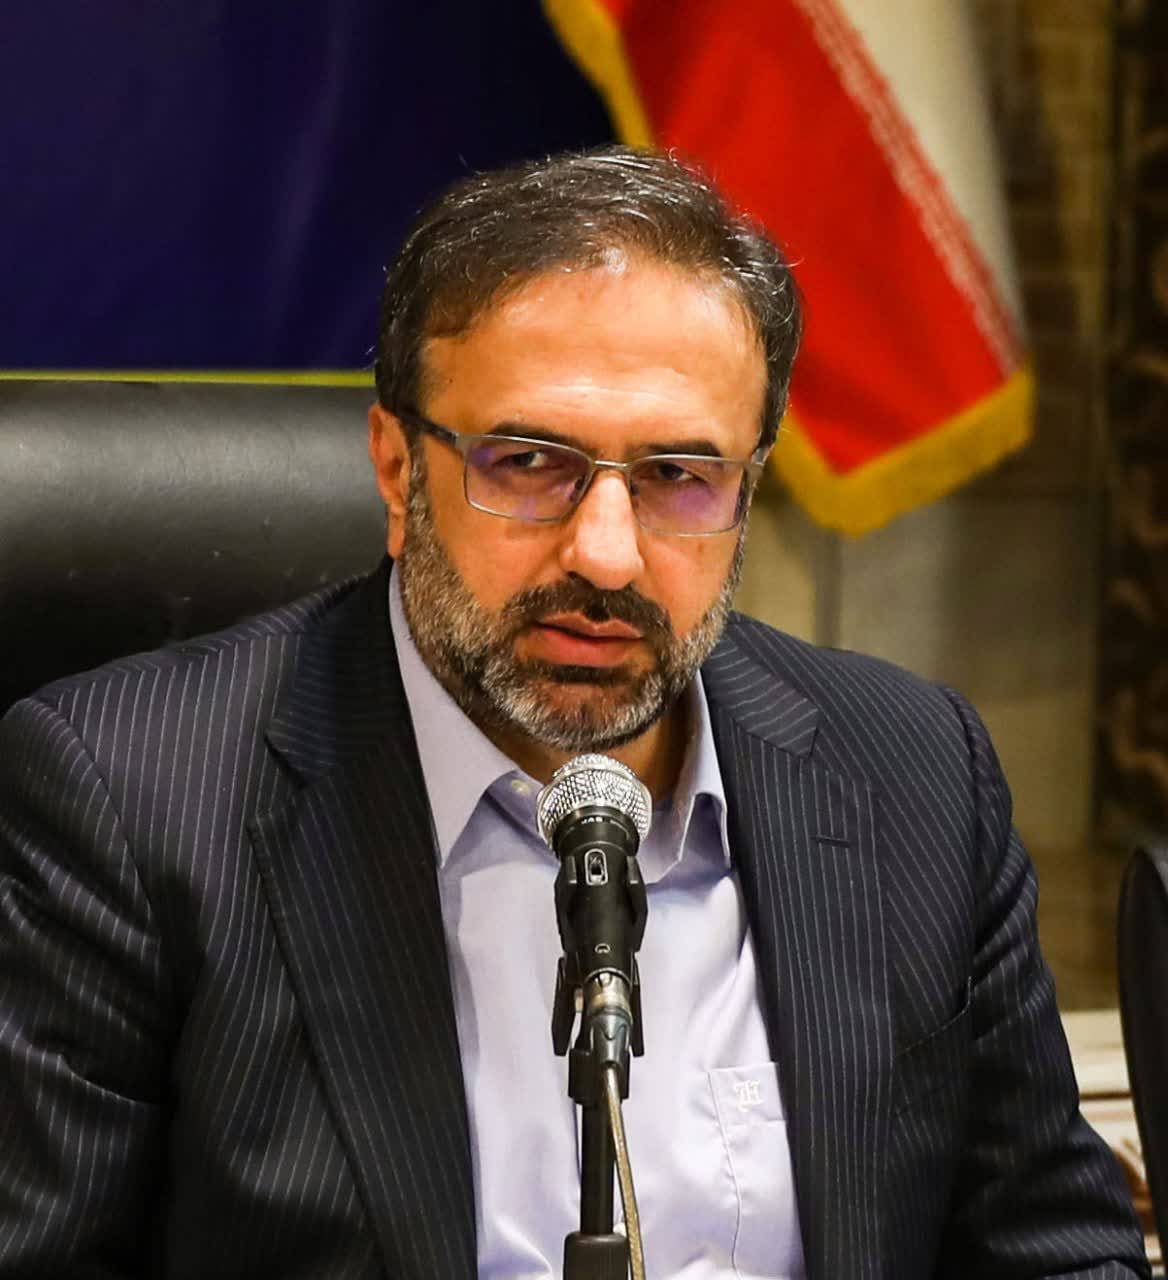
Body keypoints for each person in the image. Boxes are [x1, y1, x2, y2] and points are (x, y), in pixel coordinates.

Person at [0, 147, 1148, 1279]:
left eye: (679, 476)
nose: (606, 554)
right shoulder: (132, 798)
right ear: (398, 470)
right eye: (529, 462)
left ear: (746, 490)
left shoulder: (915, 772)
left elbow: (1056, 1252)